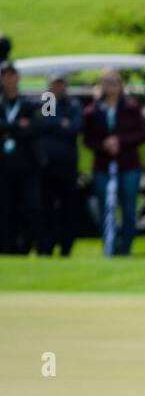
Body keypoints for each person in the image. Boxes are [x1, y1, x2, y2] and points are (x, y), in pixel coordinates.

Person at [82, 68, 145, 256]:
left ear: (120, 85)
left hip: (128, 164)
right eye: (107, 82)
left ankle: (125, 248)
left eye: (114, 82)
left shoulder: (131, 108)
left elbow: (143, 134)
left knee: (128, 207)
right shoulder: (93, 111)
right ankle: (109, 247)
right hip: (103, 165)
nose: (111, 86)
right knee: (106, 207)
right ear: (101, 85)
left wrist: (120, 141)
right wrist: (104, 144)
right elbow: (87, 139)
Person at [33, 69, 83, 257]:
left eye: (61, 83)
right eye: (55, 83)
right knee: (45, 207)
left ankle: (66, 246)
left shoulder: (73, 104)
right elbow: (43, 124)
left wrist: (58, 124)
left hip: (67, 165)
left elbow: (75, 128)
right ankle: (46, 245)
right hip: (46, 165)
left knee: (67, 208)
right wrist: (61, 123)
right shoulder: (47, 102)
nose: (58, 87)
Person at [0, 61, 40, 255]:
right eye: (5, 76)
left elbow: (36, 127)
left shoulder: (29, 104)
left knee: (28, 207)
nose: (9, 80)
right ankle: (7, 248)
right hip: (4, 168)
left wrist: (9, 130)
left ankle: (26, 246)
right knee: (5, 209)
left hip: (26, 167)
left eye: (12, 75)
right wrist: (17, 126)